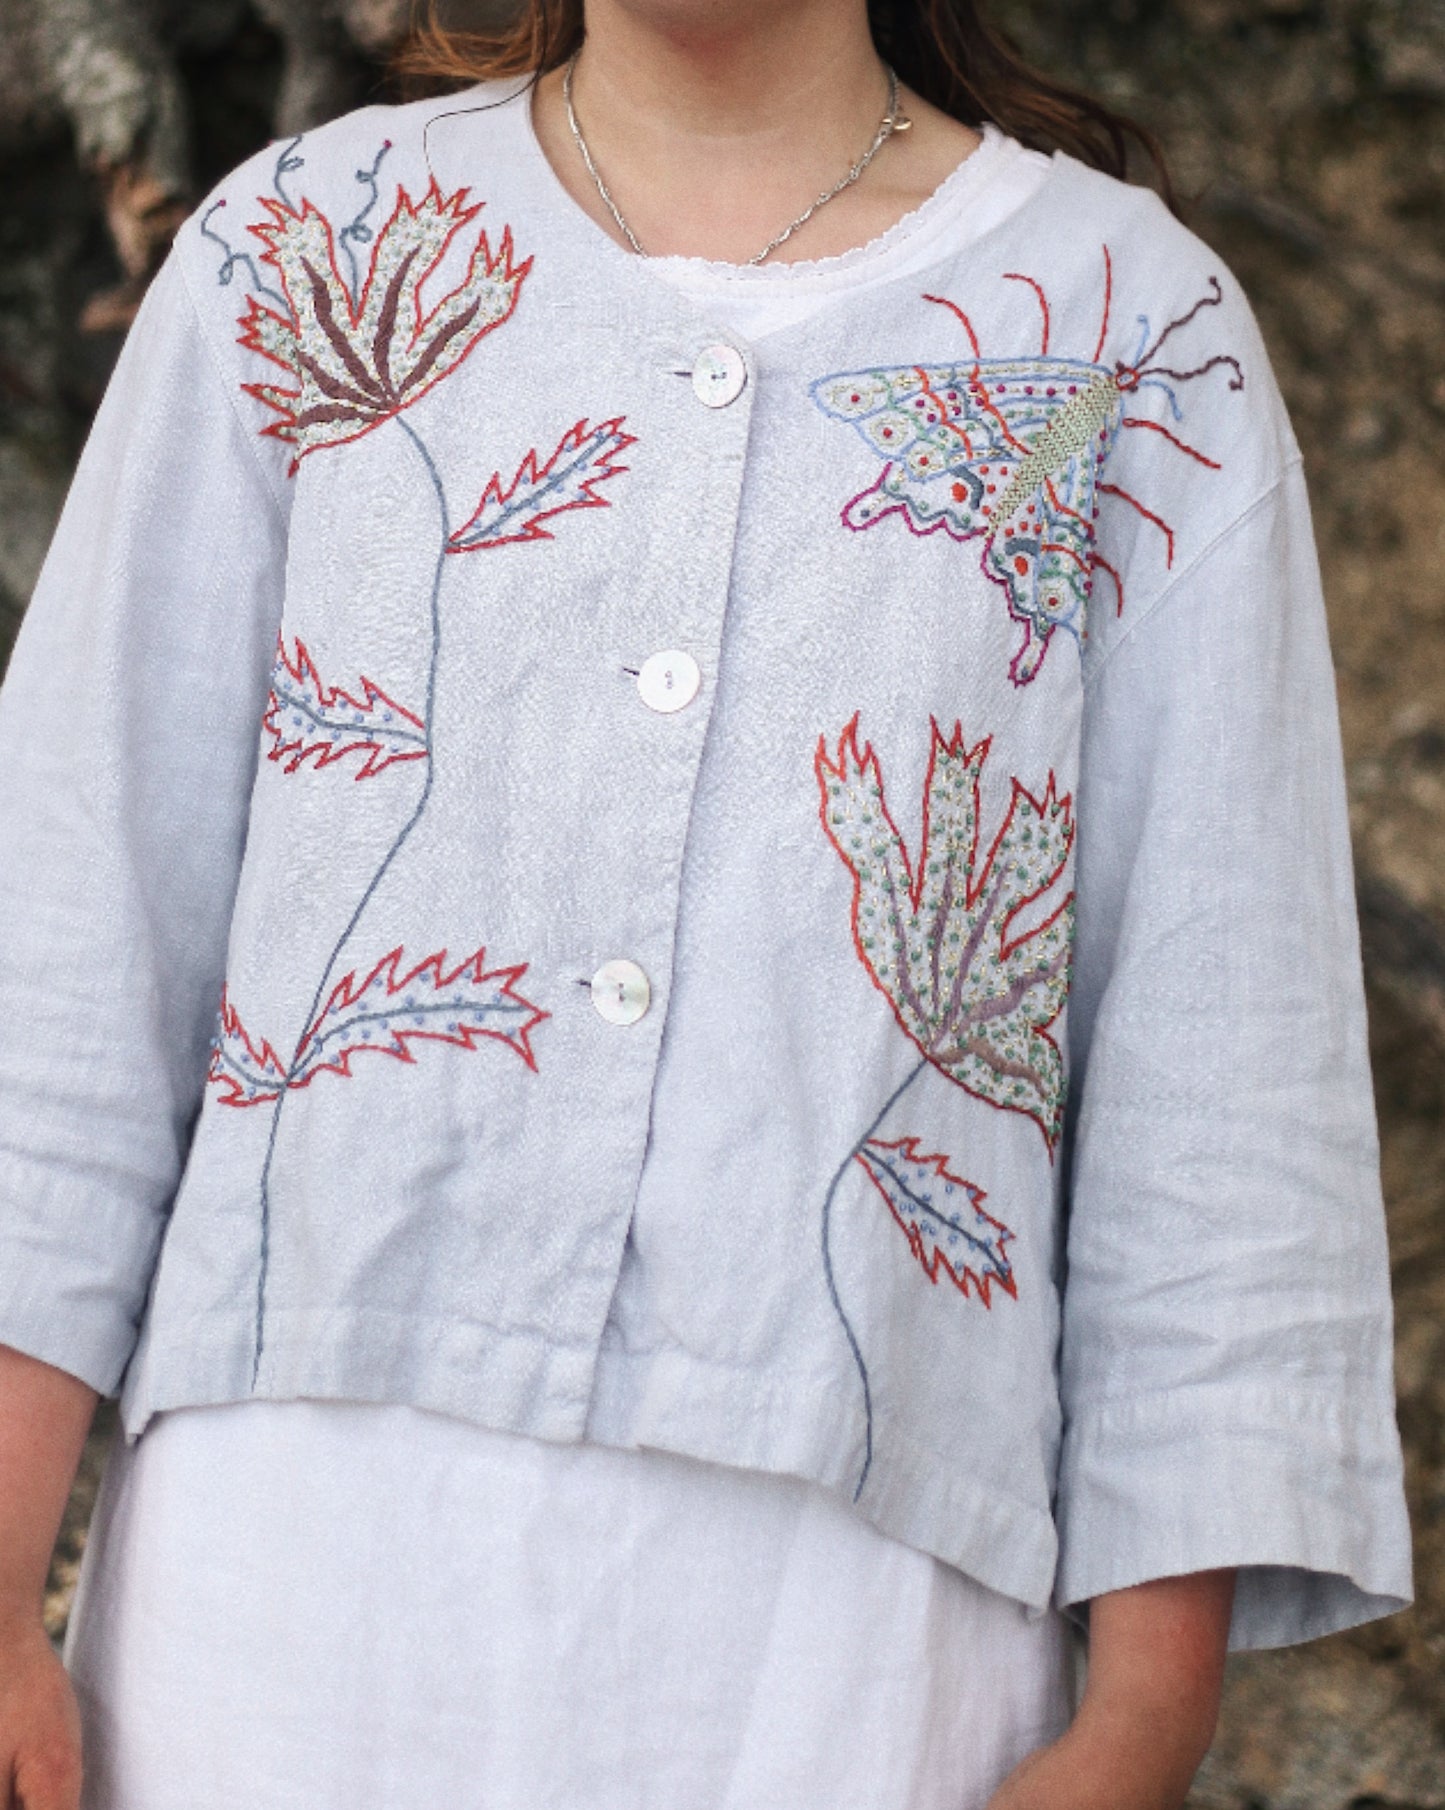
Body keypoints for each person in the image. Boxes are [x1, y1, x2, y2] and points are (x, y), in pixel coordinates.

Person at [0, 0, 1413, 1805]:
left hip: (844, 1645)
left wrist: (1141, 1720)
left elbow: (1223, 1057)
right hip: (278, 1598)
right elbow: (66, 946)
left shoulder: (1131, 336)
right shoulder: (302, 248)